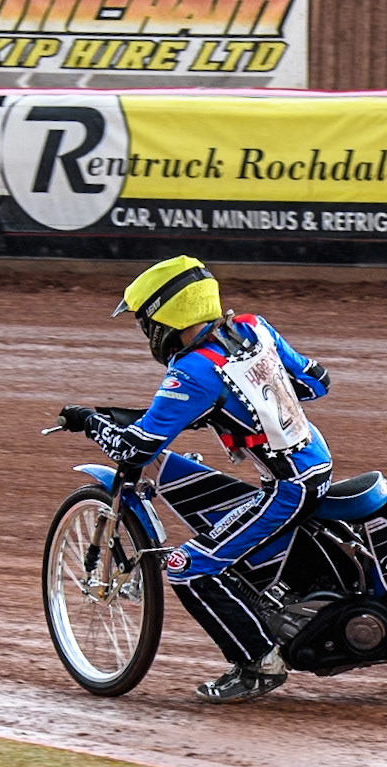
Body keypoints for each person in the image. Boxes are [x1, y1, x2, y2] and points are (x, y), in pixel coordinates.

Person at [58, 256, 333, 704]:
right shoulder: (251, 327)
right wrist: (245, 402)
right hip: (315, 463)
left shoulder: (193, 372)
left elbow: (135, 450)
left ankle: (259, 662)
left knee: (187, 567)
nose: (147, 333)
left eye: (146, 322)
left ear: (168, 316)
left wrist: (89, 422)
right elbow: (315, 383)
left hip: (289, 487)